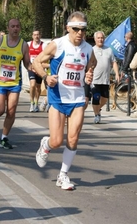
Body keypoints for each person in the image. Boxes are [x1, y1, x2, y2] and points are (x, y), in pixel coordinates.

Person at [33, 11, 96, 190]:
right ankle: (45, 144)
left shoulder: (88, 49)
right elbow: (36, 62)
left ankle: (63, 175)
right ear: (68, 28)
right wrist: (46, 77)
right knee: (56, 141)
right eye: (76, 29)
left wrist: (89, 74)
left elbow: (92, 63)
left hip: (77, 98)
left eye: (83, 30)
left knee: (74, 138)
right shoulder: (57, 45)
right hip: (58, 97)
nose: (80, 33)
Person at [0, 19, 31, 150]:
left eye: (17, 26)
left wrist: (32, 67)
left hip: (14, 82)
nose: (15, 28)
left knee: (11, 110)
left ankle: (4, 138)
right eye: (12, 26)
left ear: (20, 28)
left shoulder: (23, 45)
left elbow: (27, 63)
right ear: (8, 28)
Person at [88, 31, 120, 123]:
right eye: (98, 38)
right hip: (94, 79)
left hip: (105, 79)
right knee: (96, 96)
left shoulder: (109, 50)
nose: (100, 40)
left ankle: (97, 110)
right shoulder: (91, 50)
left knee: (105, 99)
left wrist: (117, 73)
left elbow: (114, 62)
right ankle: (96, 115)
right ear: (95, 39)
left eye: (102, 38)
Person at [27, 30, 47, 112]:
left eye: (38, 35)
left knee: (38, 87)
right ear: (32, 36)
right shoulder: (28, 44)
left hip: (40, 68)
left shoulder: (44, 45)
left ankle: (36, 103)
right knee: (32, 85)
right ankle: (31, 103)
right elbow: (26, 56)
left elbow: (46, 56)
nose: (36, 36)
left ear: (40, 35)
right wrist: (29, 65)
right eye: (35, 35)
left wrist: (43, 66)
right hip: (31, 67)